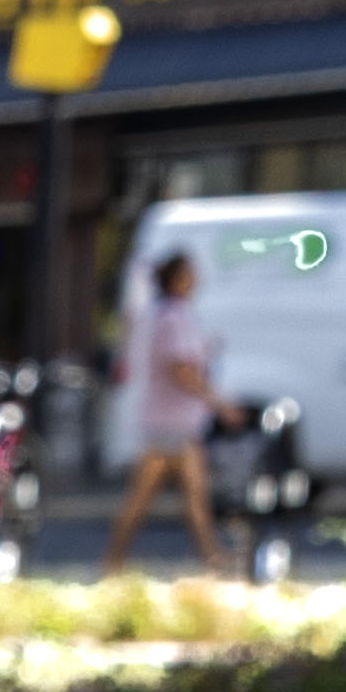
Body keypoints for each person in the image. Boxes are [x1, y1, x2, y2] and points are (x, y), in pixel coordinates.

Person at [106, 244, 228, 573]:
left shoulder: (168, 314)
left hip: (171, 419)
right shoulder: (173, 316)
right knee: (175, 496)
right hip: (171, 420)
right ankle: (213, 562)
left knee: (184, 496)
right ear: (177, 279)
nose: (197, 279)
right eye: (190, 273)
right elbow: (180, 369)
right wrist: (219, 403)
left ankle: (213, 560)